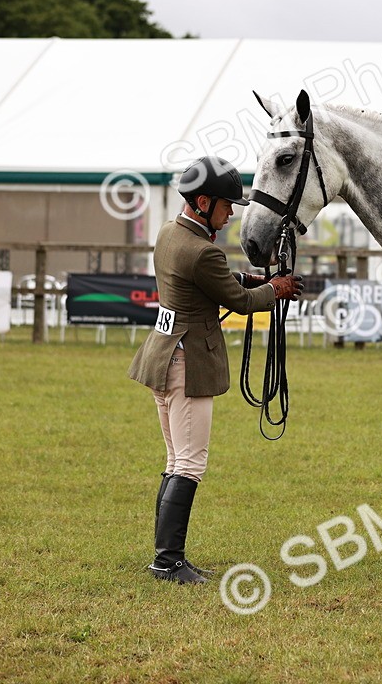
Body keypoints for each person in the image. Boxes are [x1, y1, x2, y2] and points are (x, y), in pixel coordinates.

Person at [129, 156, 303, 585]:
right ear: (203, 202)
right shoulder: (203, 250)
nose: (230, 215)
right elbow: (239, 303)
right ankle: (168, 561)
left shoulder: (170, 234)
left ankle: (163, 556)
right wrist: (273, 289)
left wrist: (243, 278)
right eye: (226, 206)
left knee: (175, 460)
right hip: (187, 363)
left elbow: (212, 281)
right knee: (190, 463)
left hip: (161, 355)